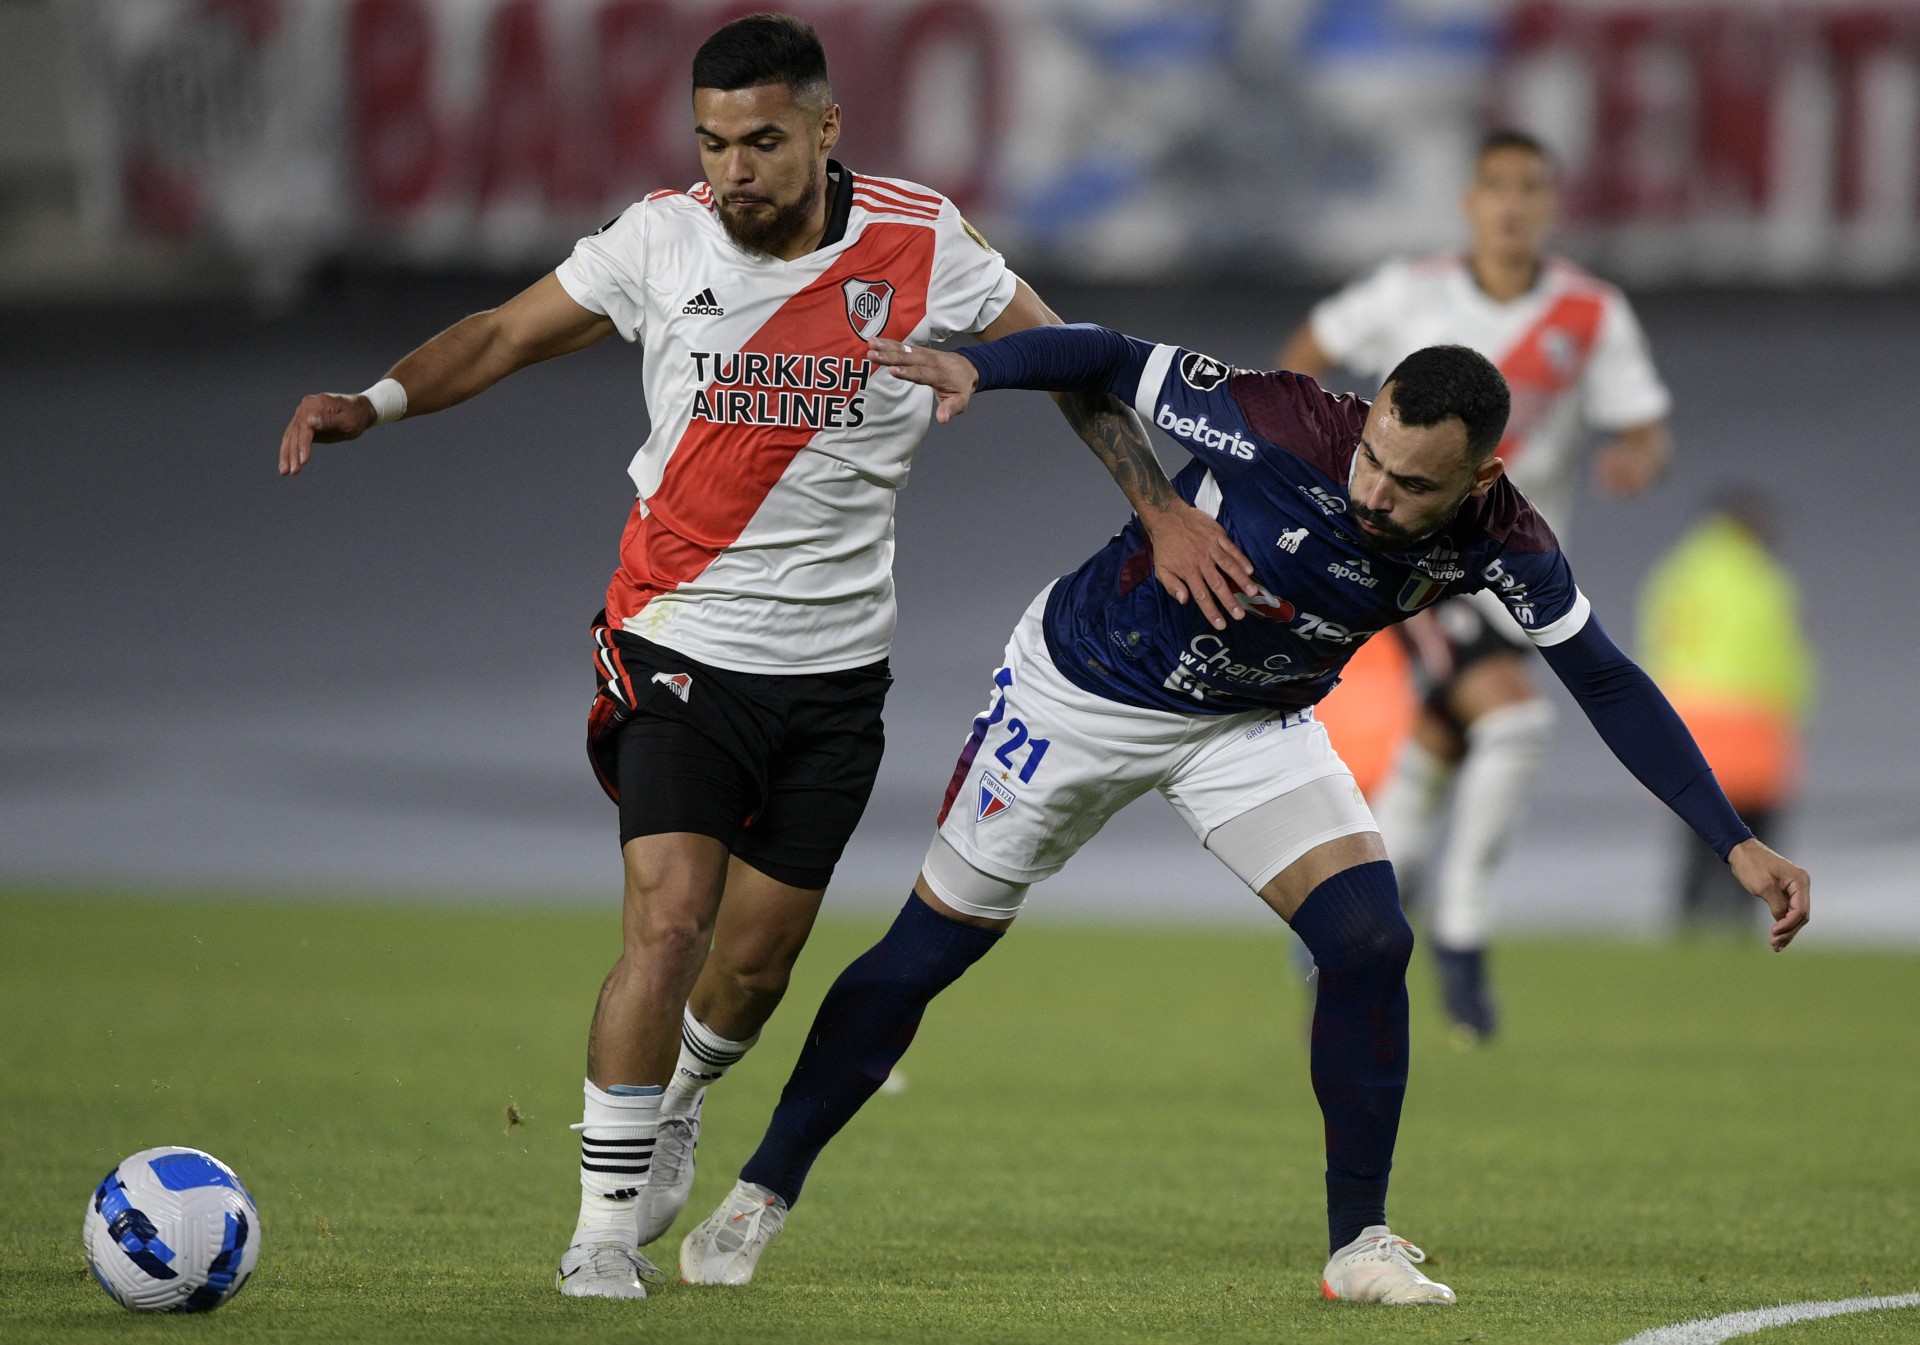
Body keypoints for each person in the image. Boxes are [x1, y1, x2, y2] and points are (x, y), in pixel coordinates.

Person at [273, 14, 1254, 1301]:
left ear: (825, 130)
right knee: (670, 916)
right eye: (713, 141)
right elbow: (505, 333)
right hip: (674, 636)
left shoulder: (922, 240)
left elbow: (1069, 363)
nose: (732, 169)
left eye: (762, 142)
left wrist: (1160, 505)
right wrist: (377, 400)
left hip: (838, 670)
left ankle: (680, 1094)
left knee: (755, 962)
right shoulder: (660, 238)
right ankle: (602, 1229)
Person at [675, 323, 1810, 1304]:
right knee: (927, 953)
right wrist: (978, 367)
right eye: (1375, 461)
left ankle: (1357, 1241)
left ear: (1478, 476)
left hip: (1250, 725)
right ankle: (763, 1185)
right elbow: (1111, 357)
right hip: (1082, 690)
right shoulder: (1279, 416)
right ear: (1365, 423)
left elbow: (1604, 678)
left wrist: (1735, 837)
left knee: (1369, 937)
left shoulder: (1502, 540)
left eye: (1415, 486)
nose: (1378, 494)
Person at [1273, 128, 1676, 1040]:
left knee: (1444, 742)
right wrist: (1309, 463)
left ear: (1551, 203)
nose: (1512, 202)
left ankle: (1338, 927)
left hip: (1513, 570)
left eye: (1530, 186)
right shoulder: (1410, 292)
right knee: (1517, 721)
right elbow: (1306, 352)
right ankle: (1459, 934)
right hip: (1414, 561)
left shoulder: (1591, 313)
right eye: (1496, 185)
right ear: (1469, 200)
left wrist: (1639, 456)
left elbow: (1647, 426)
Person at [1639, 491, 1815, 930]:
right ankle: (1747, 929)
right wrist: (1797, 708)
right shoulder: (1766, 578)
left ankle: (1688, 929)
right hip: (1754, 723)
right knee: (1757, 841)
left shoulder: (1679, 573)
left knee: (1702, 836)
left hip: (1692, 722)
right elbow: (1787, 656)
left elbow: (1659, 644)